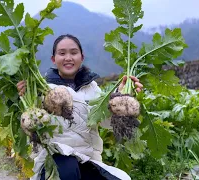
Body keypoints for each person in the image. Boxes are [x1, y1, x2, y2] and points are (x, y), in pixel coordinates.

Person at [17, 34, 143, 180]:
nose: (68, 58)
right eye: (62, 53)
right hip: (55, 160)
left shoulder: (93, 89)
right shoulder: (41, 90)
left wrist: (120, 99)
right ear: (53, 59)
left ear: (81, 57)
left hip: (87, 159)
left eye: (74, 52)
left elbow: (106, 123)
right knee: (68, 169)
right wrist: (24, 95)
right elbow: (32, 126)